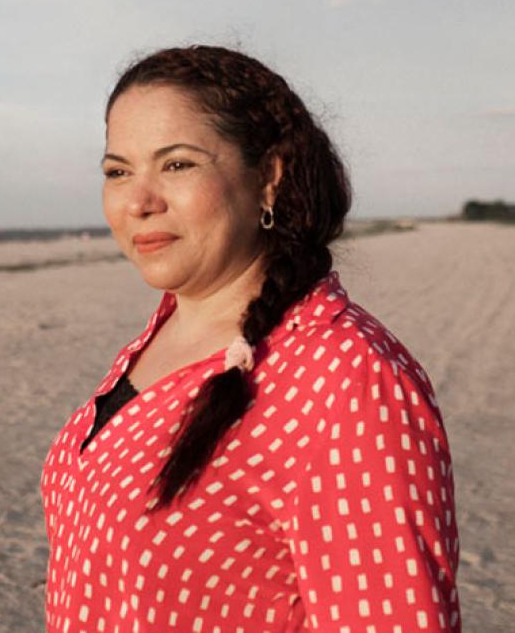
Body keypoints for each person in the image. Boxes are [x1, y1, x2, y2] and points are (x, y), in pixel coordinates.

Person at [40, 45, 460, 632]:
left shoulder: (345, 378)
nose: (138, 202)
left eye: (178, 165)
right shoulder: (157, 338)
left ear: (268, 178)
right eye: (117, 172)